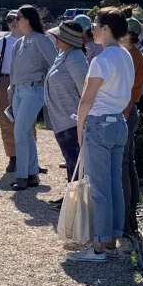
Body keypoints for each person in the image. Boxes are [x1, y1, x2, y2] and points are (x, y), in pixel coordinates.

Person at [69, 8, 136, 262]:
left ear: (106, 28)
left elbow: (86, 100)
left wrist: (80, 129)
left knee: (99, 188)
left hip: (99, 123)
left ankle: (98, 246)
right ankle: (111, 242)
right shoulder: (126, 55)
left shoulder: (102, 59)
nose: (93, 30)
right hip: (119, 122)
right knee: (114, 185)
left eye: (96, 25)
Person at [6, 5, 56, 190]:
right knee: (25, 132)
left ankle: (22, 176)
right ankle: (32, 174)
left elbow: (55, 63)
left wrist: (45, 79)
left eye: (18, 18)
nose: (15, 21)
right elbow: (13, 70)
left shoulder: (42, 39)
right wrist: (11, 91)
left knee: (20, 132)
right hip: (18, 91)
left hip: (33, 91)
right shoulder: (18, 43)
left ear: (27, 20)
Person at [44, 20, 90, 185]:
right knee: (71, 160)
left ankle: (77, 197)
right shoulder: (64, 54)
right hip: (64, 119)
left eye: (59, 36)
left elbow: (84, 90)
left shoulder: (75, 58)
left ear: (68, 39)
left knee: (75, 161)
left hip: (72, 120)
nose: (55, 38)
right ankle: (72, 195)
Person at [121, 19, 143, 235]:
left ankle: (126, 217)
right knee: (128, 163)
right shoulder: (133, 54)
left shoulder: (131, 56)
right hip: (129, 112)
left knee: (123, 164)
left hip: (126, 112)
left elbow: (129, 93)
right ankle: (130, 215)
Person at [0, 10, 20, 171]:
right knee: (6, 119)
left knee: (28, 120)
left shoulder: (30, 40)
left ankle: (31, 157)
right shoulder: (1, 42)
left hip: (23, 81)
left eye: (17, 19)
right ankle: (13, 157)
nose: (13, 22)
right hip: (4, 80)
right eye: (10, 20)